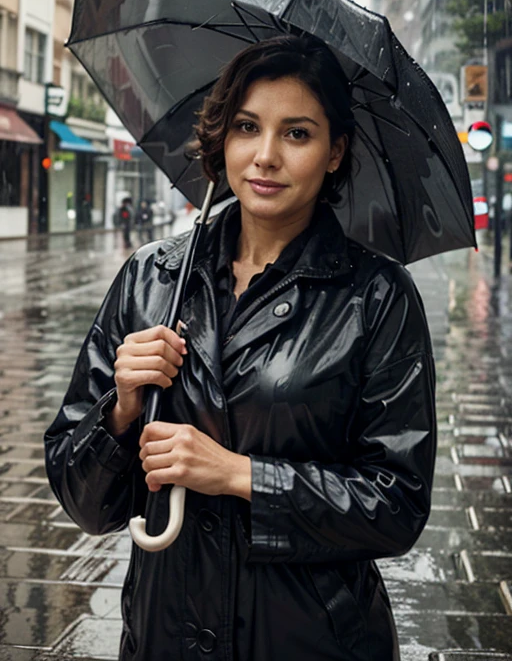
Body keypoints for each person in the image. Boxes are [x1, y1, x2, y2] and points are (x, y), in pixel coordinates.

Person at [44, 35, 436, 661]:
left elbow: (396, 504)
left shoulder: (378, 297)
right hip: (163, 631)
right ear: (222, 136)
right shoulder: (152, 277)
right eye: (248, 126)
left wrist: (240, 475)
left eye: (298, 133)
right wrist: (118, 410)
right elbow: (83, 502)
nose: (266, 156)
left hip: (310, 639)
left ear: (336, 152)